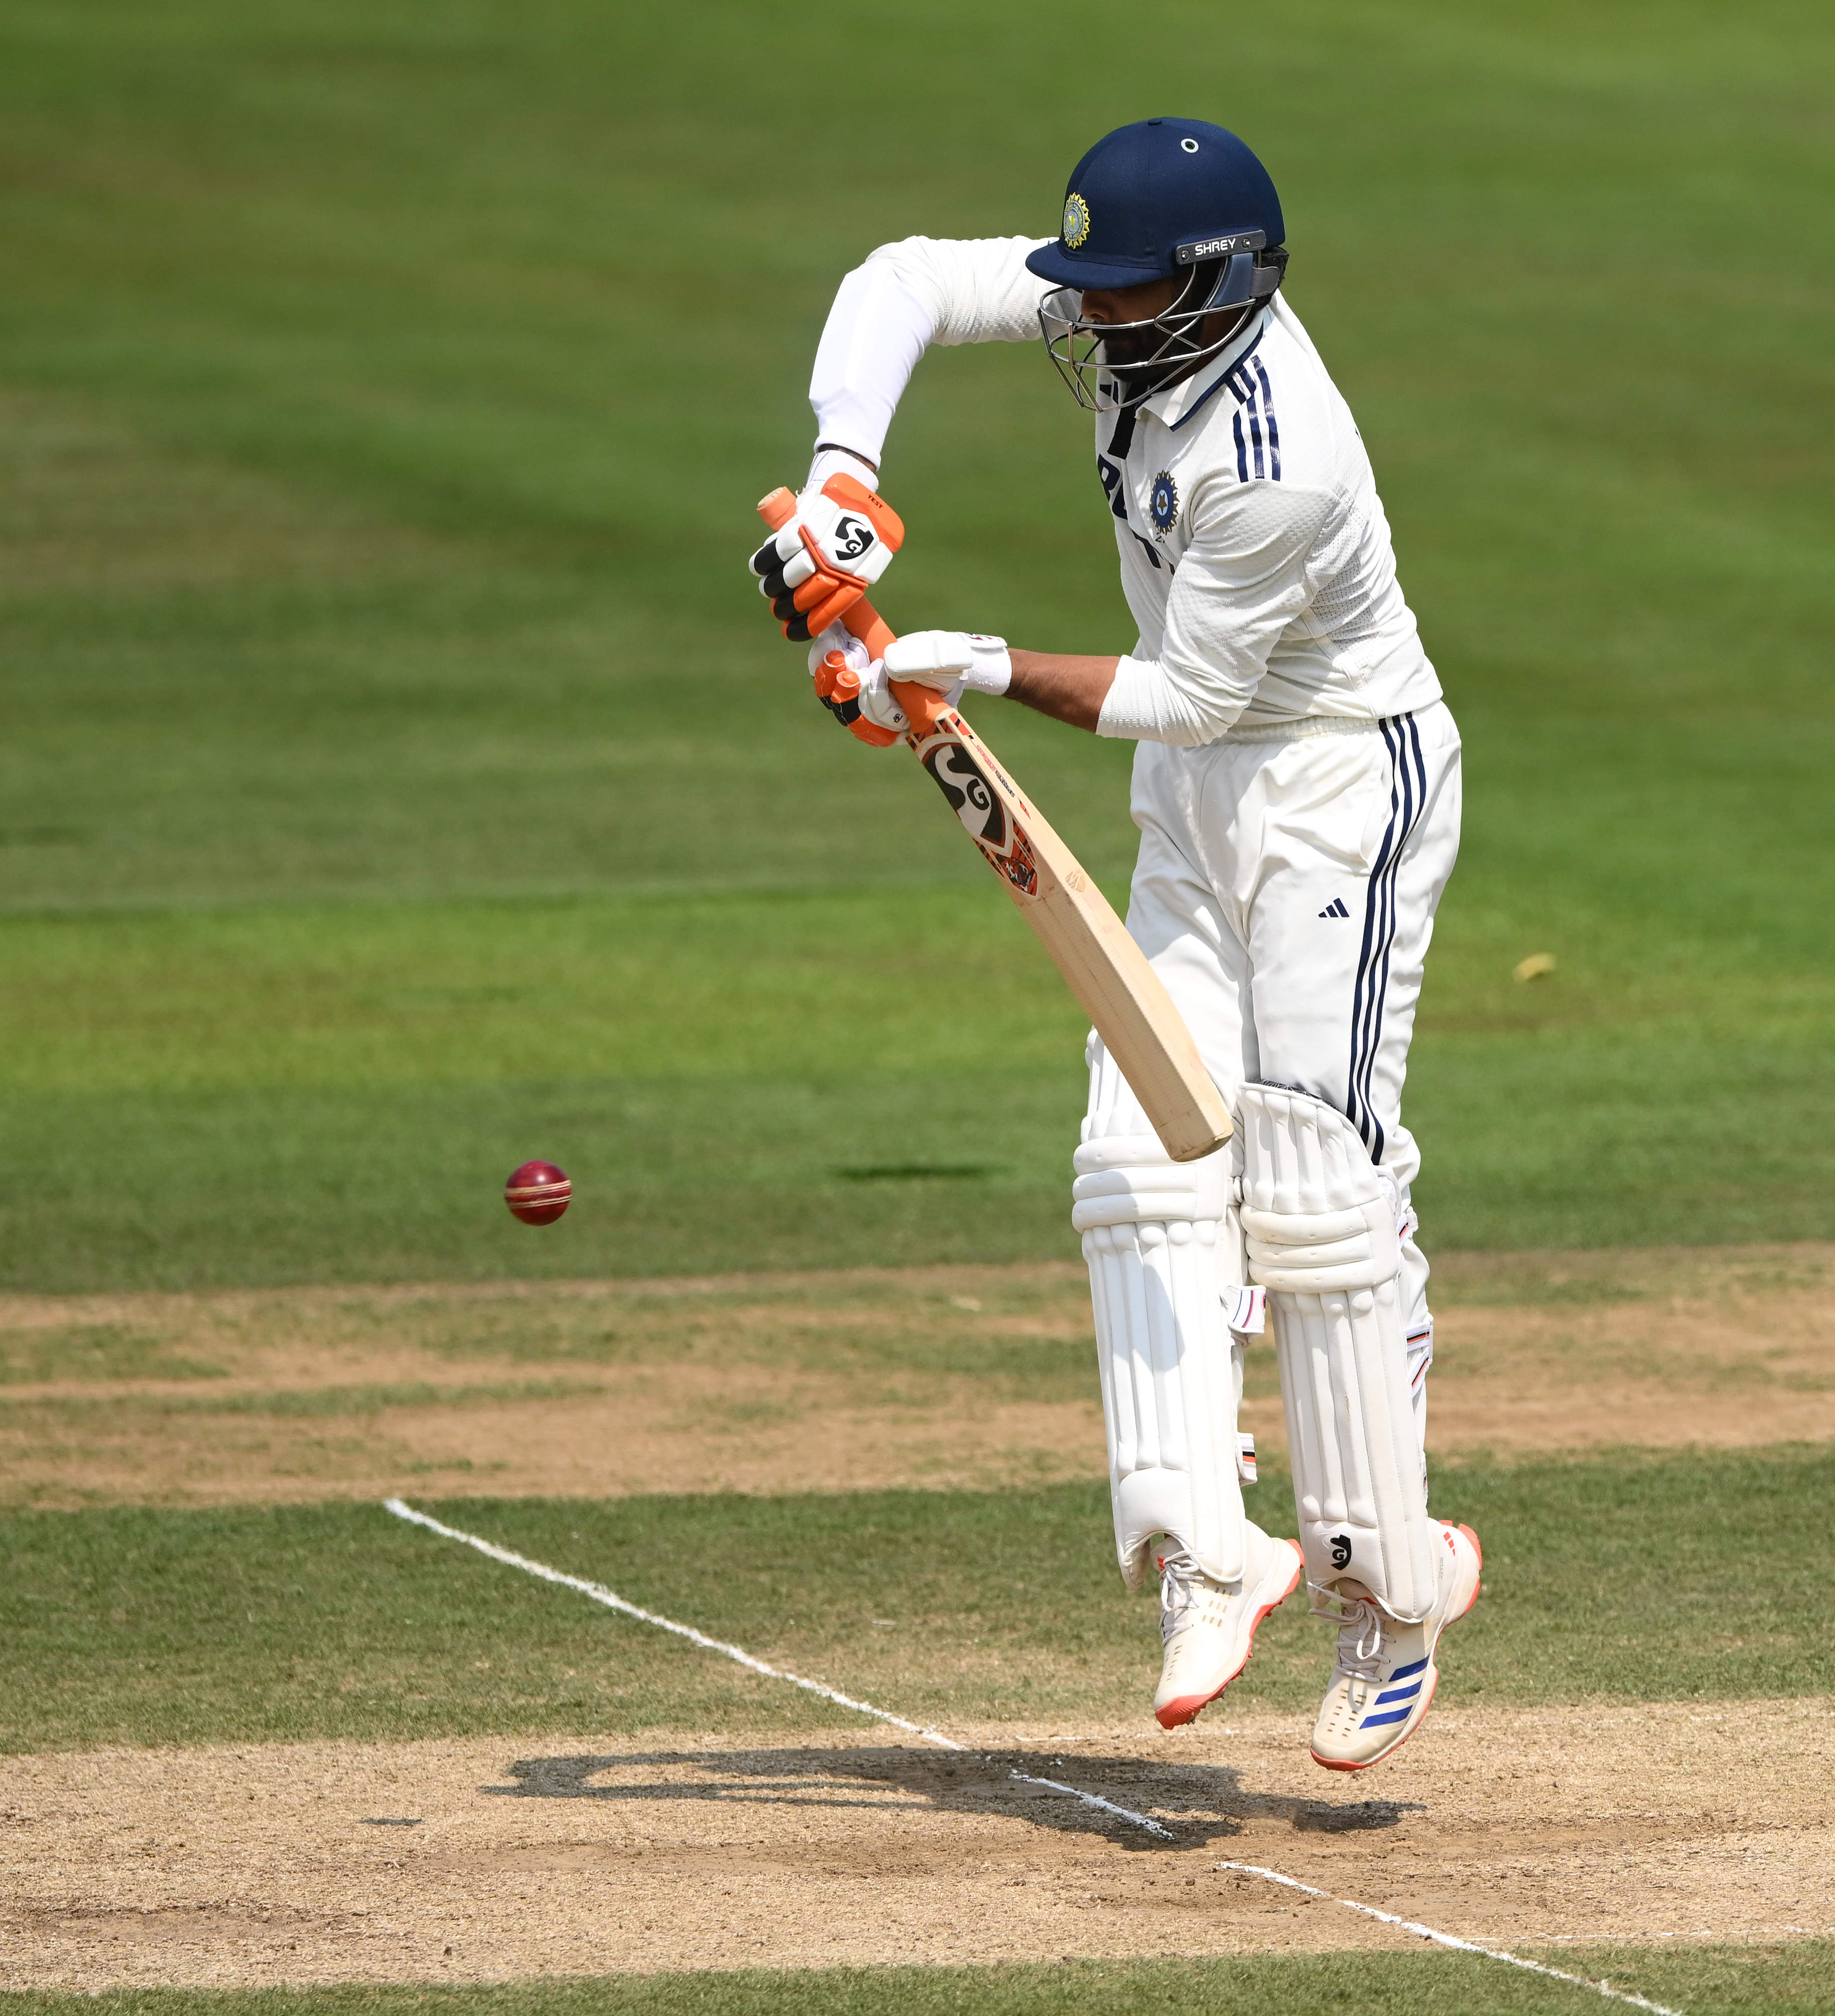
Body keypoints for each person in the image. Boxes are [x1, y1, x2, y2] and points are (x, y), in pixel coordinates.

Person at [750, 118, 1477, 1772]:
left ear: (1216, 288)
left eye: (1134, 292)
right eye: (1092, 286)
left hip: (1334, 787)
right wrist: (845, 477)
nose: (1100, 318)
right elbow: (902, 281)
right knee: (1135, 1155)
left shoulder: (1278, 450)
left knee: (1305, 1184)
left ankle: (1393, 1589)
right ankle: (1204, 1552)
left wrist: (977, 664)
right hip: (1192, 796)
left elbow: (1200, 694)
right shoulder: (1120, 306)